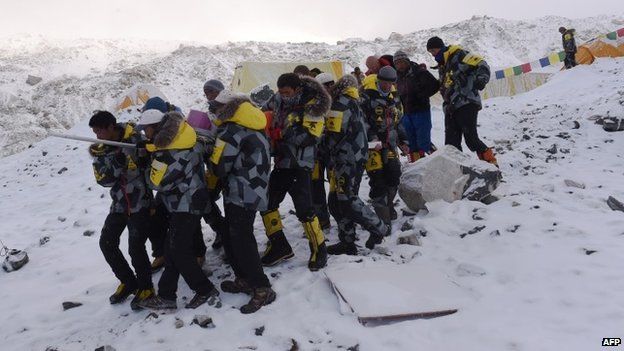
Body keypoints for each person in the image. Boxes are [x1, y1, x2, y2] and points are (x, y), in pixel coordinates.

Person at [136, 109, 219, 310]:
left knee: (179, 250)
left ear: (155, 128)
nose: (143, 133)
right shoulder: (183, 137)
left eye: (145, 129)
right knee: (172, 249)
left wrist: (146, 162)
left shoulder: (169, 154)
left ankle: (204, 290)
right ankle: (167, 295)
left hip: (186, 205)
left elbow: (157, 182)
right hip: (189, 200)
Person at [209, 90, 276, 314]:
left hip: (241, 192)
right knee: (233, 234)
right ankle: (244, 278)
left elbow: (220, 167)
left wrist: (209, 151)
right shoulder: (252, 122)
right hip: (255, 187)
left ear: (226, 108)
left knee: (242, 239)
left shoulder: (231, 130)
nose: (214, 111)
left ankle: (262, 287)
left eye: (216, 107)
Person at [261, 73, 332, 271]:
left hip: (300, 165)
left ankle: (319, 249)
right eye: (280, 92)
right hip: (282, 162)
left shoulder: (313, 104)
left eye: (287, 92)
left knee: (305, 210)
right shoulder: (277, 98)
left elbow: (311, 137)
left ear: (298, 89)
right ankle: (279, 246)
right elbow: (263, 111)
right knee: (267, 204)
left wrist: (282, 133)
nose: (283, 96)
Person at [88, 111, 156, 310]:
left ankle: (146, 288)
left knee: (136, 247)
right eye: (94, 132)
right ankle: (128, 281)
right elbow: (103, 180)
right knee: (107, 243)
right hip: (119, 204)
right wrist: (116, 164)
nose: (97, 136)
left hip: (141, 203)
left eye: (100, 131)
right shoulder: (101, 149)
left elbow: (153, 167)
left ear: (111, 126)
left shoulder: (136, 139)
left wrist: (144, 154)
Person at [325, 75, 389, 255]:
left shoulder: (339, 104)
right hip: (352, 156)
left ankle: (378, 227)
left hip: (347, 158)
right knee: (338, 200)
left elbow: (333, 136)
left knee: (347, 198)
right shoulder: (352, 101)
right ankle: (347, 241)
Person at [426, 36, 498, 166]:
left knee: (471, 139)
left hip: (466, 102)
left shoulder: (459, 55)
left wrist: (481, 79)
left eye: (433, 50)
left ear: (441, 47)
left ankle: (491, 163)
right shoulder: (442, 65)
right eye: (430, 52)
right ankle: (458, 170)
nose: (432, 54)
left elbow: (481, 64)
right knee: (451, 145)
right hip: (450, 107)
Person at [360, 66, 406, 225]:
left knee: (394, 176)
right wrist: (372, 140)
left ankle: (389, 203)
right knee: (378, 180)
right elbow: (361, 122)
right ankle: (382, 216)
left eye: (390, 83)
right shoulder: (366, 96)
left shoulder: (395, 96)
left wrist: (403, 141)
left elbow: (398, 120)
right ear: (378, 80)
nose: (386, 86)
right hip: (372, 146)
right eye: (384, 82)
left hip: (390, 143)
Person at [393, 50, 440, 162]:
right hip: (406, 113)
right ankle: (416, 165)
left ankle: (438, 160)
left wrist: (422, 95)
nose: (399, 65)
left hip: (421, 111)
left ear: (407, 61)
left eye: (401, 62)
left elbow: (435, 85)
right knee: (411, 142)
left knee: (423, 141)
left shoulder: (419, 71)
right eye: (397, 63)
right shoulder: (397, 77)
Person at [311, 72, 336, 230]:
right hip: (316, 153)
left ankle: (340, 216)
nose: (328, 88)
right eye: (325, 85)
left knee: (335, 186)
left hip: (333, 151)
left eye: (330, 84)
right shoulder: (312, 103)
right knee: (315, 186)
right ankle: (322, 219)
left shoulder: (340, 102)